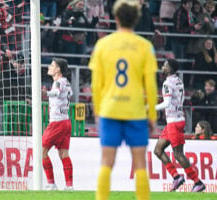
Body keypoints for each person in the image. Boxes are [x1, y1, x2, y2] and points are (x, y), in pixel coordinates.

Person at [89, 0, 158, 199]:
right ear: (136, 19)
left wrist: (97, 110)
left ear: (116, 18)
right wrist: (152, 115)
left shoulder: (102, 45)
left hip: (110, 110)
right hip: (135, 112)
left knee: (106, 162)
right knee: (140, 165)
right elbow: (151, 86)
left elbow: (96, 84)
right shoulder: (145, 47)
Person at [154, 58, 206, 192]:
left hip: (174, 121)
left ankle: (197, 182)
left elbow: (166, 104)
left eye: (165, 65)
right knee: (158, 150)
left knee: (178, 154)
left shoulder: (167, 83)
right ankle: (176, 177)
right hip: (176, 119)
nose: (163, 66)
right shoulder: (178, 81)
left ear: (170, 69)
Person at [41, 58, 73, 190]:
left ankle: (51, 183)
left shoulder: (58, 83)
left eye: (52, 65)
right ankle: (69, 186)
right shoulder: (67, 82)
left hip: (57, 123)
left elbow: (57, 92)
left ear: (58, 69)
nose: (49, 67)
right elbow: (69, 94)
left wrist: (45, 93)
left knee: (40, 152)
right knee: (64, 154)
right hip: (66, 121)